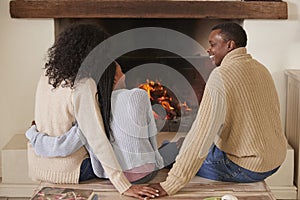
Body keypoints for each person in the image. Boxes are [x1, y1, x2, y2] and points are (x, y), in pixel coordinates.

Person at [149, 22, 288, 197]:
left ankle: (134, 170)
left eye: (213, 44)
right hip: (274, 159)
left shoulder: (221, 75)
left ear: (230, 45)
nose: (208, 49)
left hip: (245, 167)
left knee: (170, 150)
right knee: (181, 144)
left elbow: (201, 135)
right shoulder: (261, 69)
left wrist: (171, 184)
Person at [28, 23, 160, 199]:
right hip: (73, 170)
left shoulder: (47, 77)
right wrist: (123, 186)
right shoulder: (82, 85)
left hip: (38, 165)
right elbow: (97, 139)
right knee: (133, 160)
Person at [26, 63, 180, 184]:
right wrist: (158, 161)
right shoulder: (136, 96)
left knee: (164, 147)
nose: (125, 75)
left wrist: (32, 133)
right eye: (121, 72)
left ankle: (169, 147)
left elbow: (68, 144)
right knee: (174, 147)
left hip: (113, 171)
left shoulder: (94, 104)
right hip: (140, 171)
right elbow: (151, 139)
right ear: (114, 79)